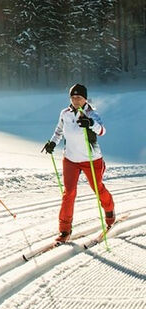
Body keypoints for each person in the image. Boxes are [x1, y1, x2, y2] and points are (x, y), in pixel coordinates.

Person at [44, 83, 115, 243]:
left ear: (85, 98)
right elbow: (58, 131)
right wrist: (53, 143)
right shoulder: (65, 113)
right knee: (68, 193)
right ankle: (64, 230)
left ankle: (109, 209)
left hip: (91, 159)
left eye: (79, 97)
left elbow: (102, 131)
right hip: (70, 159)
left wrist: (90, 123)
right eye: (73, 97)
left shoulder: (91, 113)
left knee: (98, 188)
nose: (76, 100)